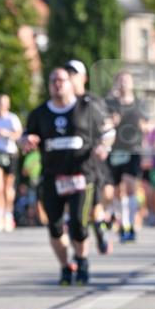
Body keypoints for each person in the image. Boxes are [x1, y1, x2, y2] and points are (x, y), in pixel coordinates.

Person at [21, 67, 107, 286]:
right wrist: (27, 142)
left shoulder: (86, 108)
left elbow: (107, 132)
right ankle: (65, 266)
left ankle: (82, 260)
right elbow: (25, 138)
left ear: (71, 83)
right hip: (52, 176)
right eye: (53, 81)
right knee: (55, 227)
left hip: (81, 175)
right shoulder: (40, 113)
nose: (57, 84)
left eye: (61, 80)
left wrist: (103, 146)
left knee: (79, 223)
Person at [64, 59, 114, 254]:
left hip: (91, 162)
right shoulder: (60, 104)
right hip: (66, 164)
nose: (70, 77)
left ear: (83, 78)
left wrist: (104, 146)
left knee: (94, 205)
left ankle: (99, 228)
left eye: (74, 73)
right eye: (67, 73)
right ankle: (82, 231)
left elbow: (108, 129)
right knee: (74, 206)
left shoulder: (92, 101)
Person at [104, 70, 147, 242]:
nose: (124, 83)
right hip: (115, 149)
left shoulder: (139, 103)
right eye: (120, 80)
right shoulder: (110, 103)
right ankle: (121, 223)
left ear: (132, 84)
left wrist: (143, 127)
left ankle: (130, 225)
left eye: (127, 80)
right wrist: (110, 122)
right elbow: (103, 122)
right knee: (116, 191)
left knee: (130, 187)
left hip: (133, 148)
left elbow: (146, 124)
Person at [0, 93, 22, 232]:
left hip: (9, 153)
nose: (1, 105)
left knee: (8, 187)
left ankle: (8, 213)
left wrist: (7, 134)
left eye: (4, 103)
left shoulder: (12, 118)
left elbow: (18, 134)